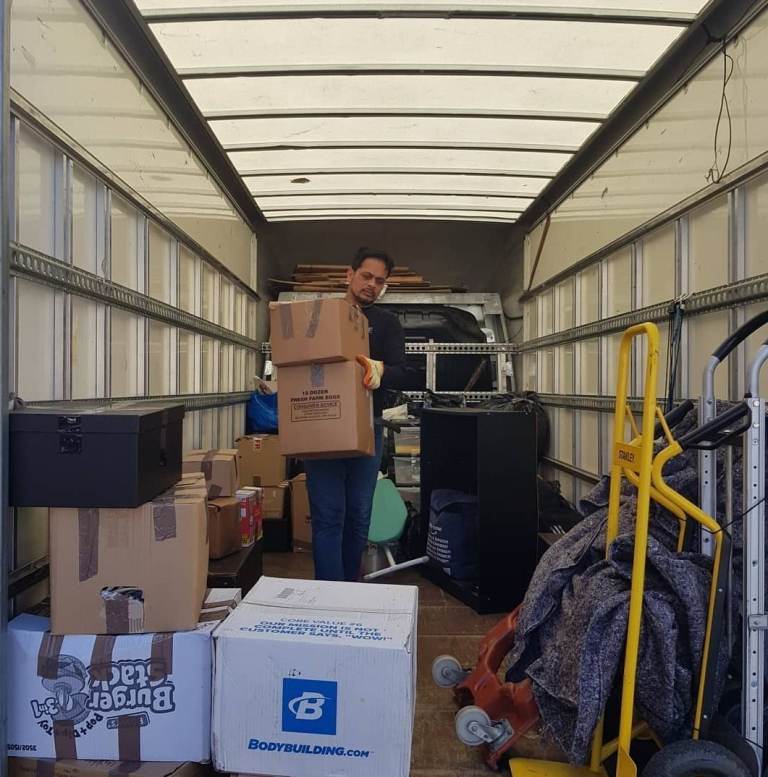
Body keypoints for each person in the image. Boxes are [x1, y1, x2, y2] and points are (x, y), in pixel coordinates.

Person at [303, 247, 410, 582]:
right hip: (321, 427)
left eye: (380, 281)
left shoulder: (387, 324)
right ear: (349, 275)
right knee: (328, 515)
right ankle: (328, 594)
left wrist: (380, 370)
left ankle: (350, 589)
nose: (372, 285)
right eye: (366, 276)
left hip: (367, 427)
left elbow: (405, 372)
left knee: (359, 515)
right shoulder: (320, 316)